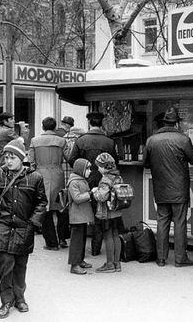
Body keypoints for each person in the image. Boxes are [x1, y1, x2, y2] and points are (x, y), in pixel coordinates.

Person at [0, 139, 47, 319]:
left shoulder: (35, 177)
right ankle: (6, 301)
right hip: (3, 228)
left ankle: (20, 298)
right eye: (6, 157)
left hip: (24, 229)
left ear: (21, 157)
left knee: (21, 266)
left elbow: (41, 202)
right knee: (5, 265)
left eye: (12, 157)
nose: (8, 161)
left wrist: (32, 223)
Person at [144, 107, 193, 267]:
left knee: (162, 222)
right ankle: (180, 258)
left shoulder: (151, 140)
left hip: (160, 187)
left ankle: (161, 258)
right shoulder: (183, 139)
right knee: (180, 222)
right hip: (179, 188)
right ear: (177, 124)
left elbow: (146, 163)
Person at [68, 111, 119, 256]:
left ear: (89, 123)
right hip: (104, 182)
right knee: (100, 215)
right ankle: (96, 249)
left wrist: (85, 171)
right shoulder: (109, 141)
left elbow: (72, 160)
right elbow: (115, 162)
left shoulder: (81, 140)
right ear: (101, 123)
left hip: (85, 181)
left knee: (83, 217)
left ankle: (81, 253)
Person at [29, 117, 69, 250]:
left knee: (44, 208)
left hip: (41, 175)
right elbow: (69, 158)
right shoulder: (62, 141)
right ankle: (63, 238)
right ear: (54, 127)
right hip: (58, 174)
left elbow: (31, 162)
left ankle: (52, 243)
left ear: (43, 127)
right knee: (61, 206)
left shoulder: (35, 141)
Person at [91, 153, 124, 273]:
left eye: (99, 166)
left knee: (108, 236)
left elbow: (101, 197)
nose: (98, 169)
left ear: (104, 167)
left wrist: (95, 191)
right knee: (116, 236)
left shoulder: (105, 179)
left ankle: (109, 264)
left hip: (107, 212)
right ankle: (117, 263)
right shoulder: (118, 176)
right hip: (117, 212)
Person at [67, 158, 95, 275]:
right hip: (77, 215)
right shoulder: (74, 182)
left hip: (82, 215)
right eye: (87, 169)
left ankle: (80, 260)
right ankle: (74, 264)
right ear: (80, 169)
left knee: (82, 239)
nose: (89, 171)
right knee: (76, 241)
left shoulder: (81, 179)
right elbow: (77, 198)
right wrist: (90, 193)